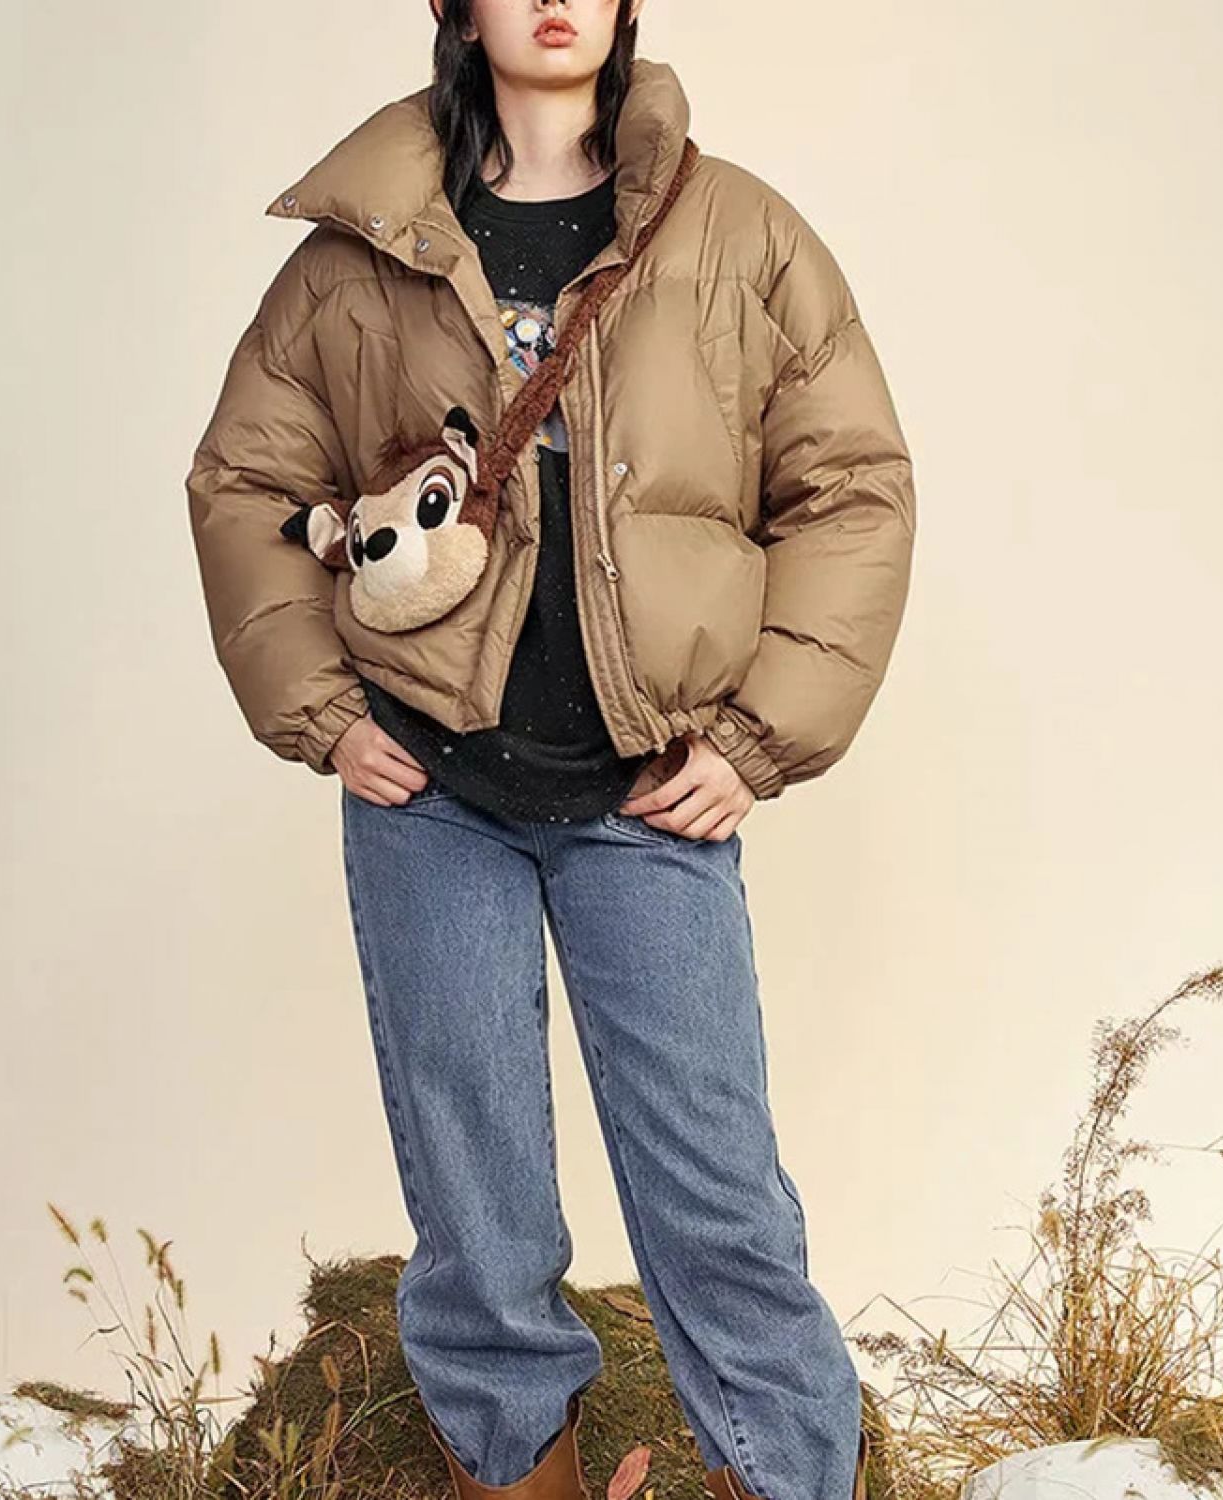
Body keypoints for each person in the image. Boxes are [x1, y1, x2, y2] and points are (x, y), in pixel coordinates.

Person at [186, 3, 916, 1497]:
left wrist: (758, 737)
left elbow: (852, 488)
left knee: (717, 1199)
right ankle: (518, 1474)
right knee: (478, 1205)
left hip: (650, 794)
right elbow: (247, 479)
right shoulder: (359, 250)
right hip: (429, 793)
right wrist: (326, 713)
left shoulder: (741, 235)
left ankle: (792, 1477)